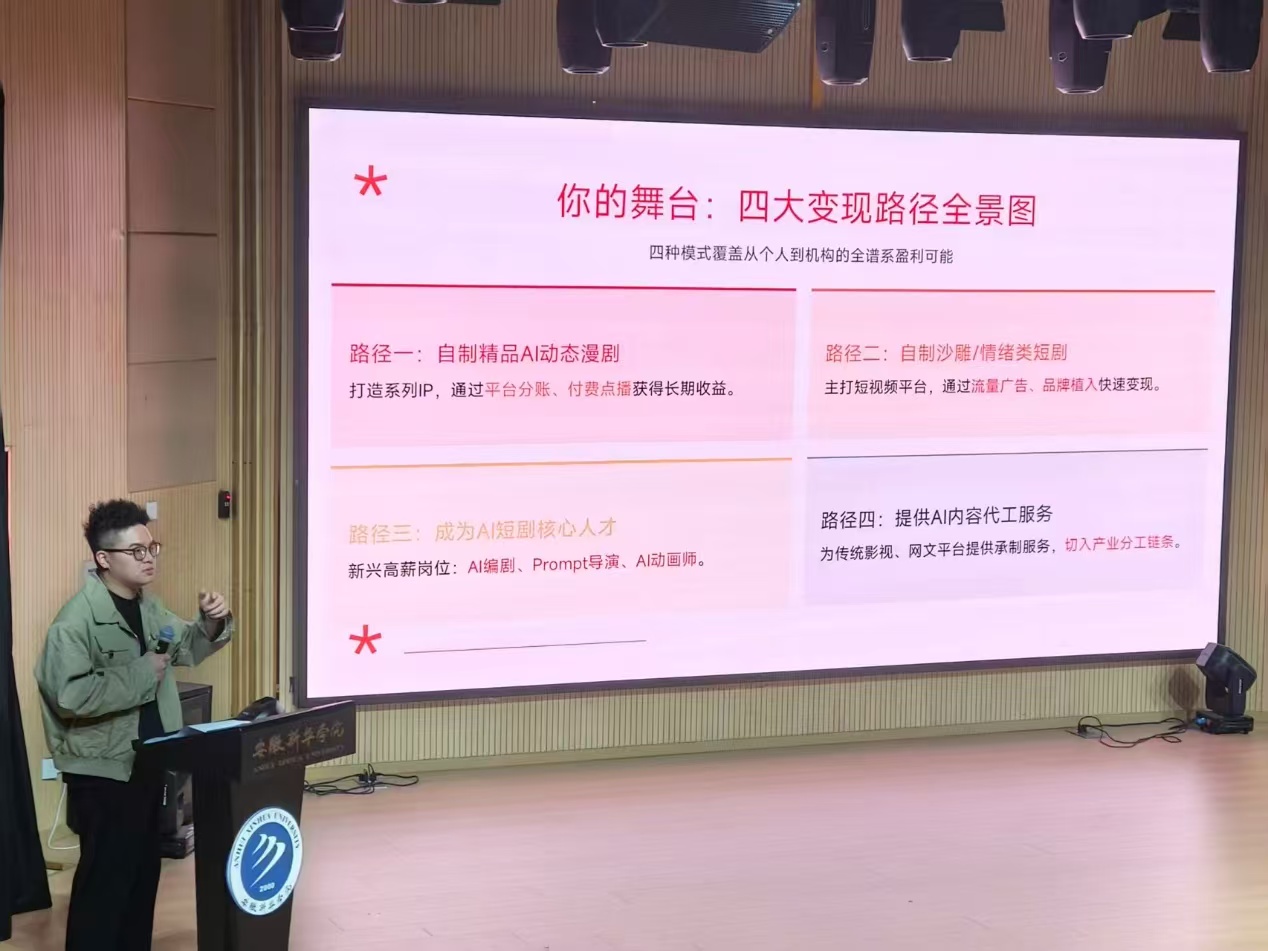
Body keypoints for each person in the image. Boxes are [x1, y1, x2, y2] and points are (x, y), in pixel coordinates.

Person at [34, 500, 234, 951]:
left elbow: (187, 646)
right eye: (136, 551)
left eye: (151, 548)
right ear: (104, 559)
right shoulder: (74, 622)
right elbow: (69, 696)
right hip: (103, 770)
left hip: (148, 759)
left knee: (142, 876)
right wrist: (143, 673)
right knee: (105, 882)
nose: (149, 559)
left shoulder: (149, 607)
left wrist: (212, 619)